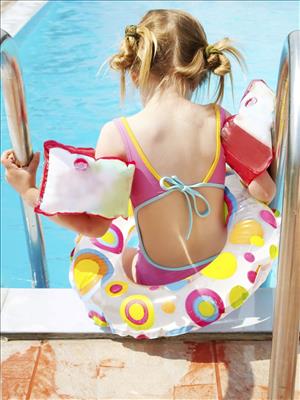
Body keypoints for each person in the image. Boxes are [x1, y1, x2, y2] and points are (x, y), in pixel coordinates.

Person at [1, 9, 276, 287]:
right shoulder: (220, 119)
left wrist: (28, 190)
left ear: (134, 73)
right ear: (199, 73)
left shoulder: (117, 135)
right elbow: (265, 191)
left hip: (157, 276)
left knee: (125, 257)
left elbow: (95, 227)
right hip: (219, 268)